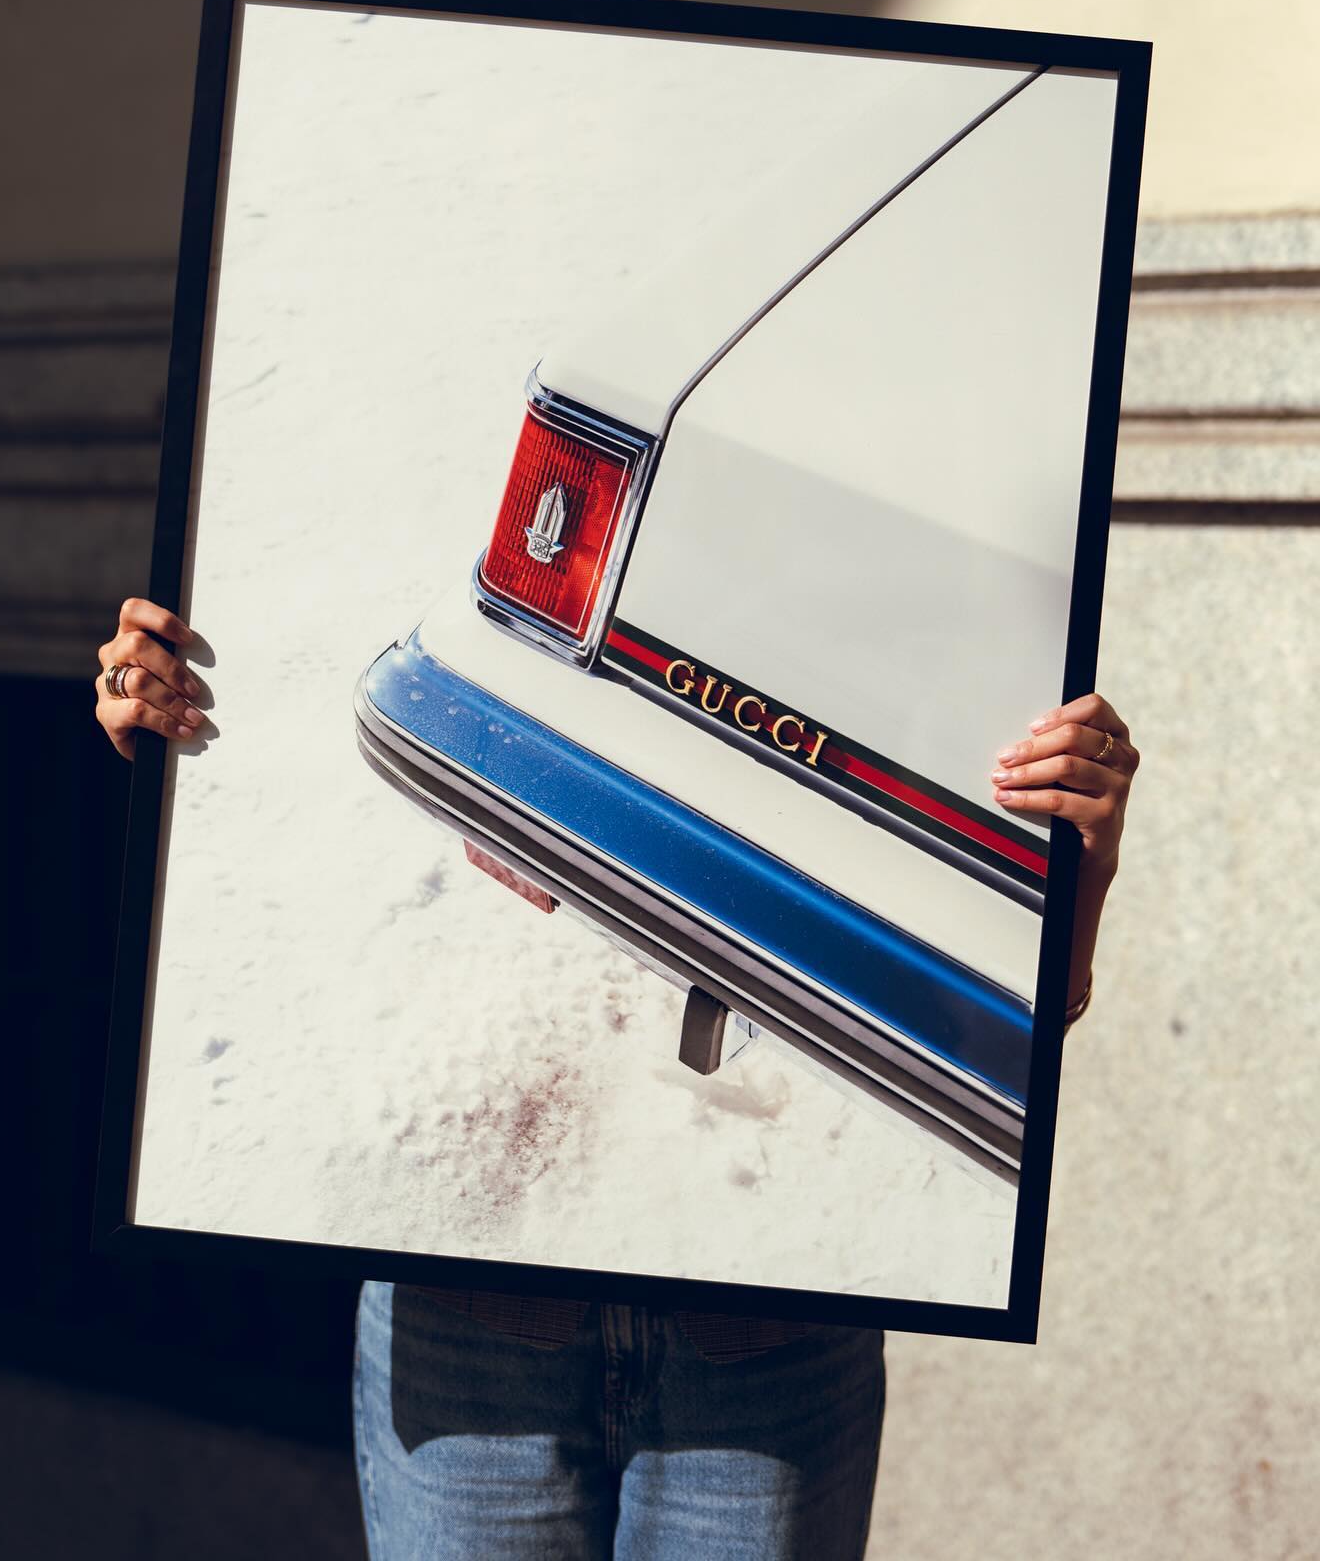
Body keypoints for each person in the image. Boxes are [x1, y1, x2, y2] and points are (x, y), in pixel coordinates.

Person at [97, 596, 1138, 1559]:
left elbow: (975, 1030)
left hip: (769, 1322)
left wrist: (1072, 885)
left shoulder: (902, 610)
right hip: (467, 1305)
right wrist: (176, 761)